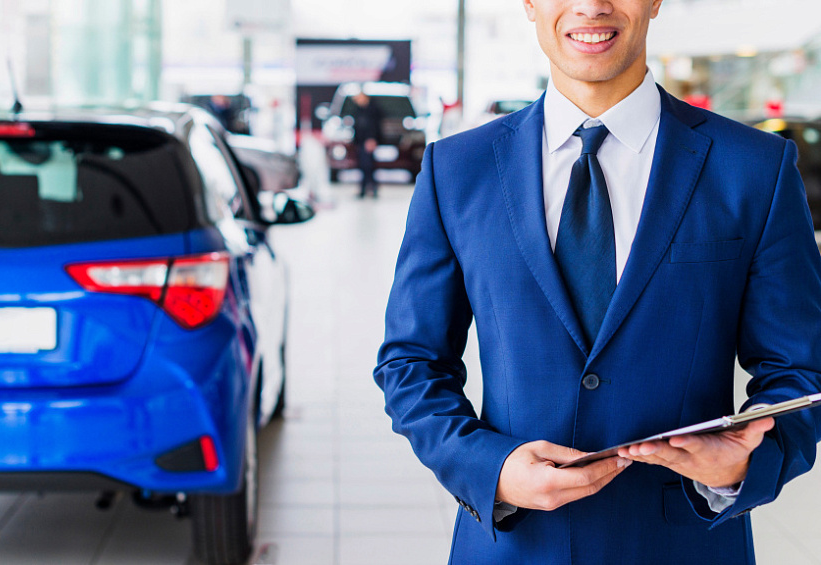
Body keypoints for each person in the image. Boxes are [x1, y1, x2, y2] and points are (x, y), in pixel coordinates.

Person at [373, 0, 821, 563]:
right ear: (529, 4)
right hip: (514, 546)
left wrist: (743, 463)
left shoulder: (754, 167)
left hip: (683, 544)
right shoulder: (457, 170)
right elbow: (410, 361)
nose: (591, 5)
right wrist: (492, 468)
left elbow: (800, 370)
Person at [350, 91, 383, 198]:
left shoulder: (372, 111)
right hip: (360, 142)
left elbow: (374, 127)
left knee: (368, 166)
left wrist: (372, 139)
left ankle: (372, 188)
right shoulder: (359, 110)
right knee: (363, 166)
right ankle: (365, 189)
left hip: (368, 142)